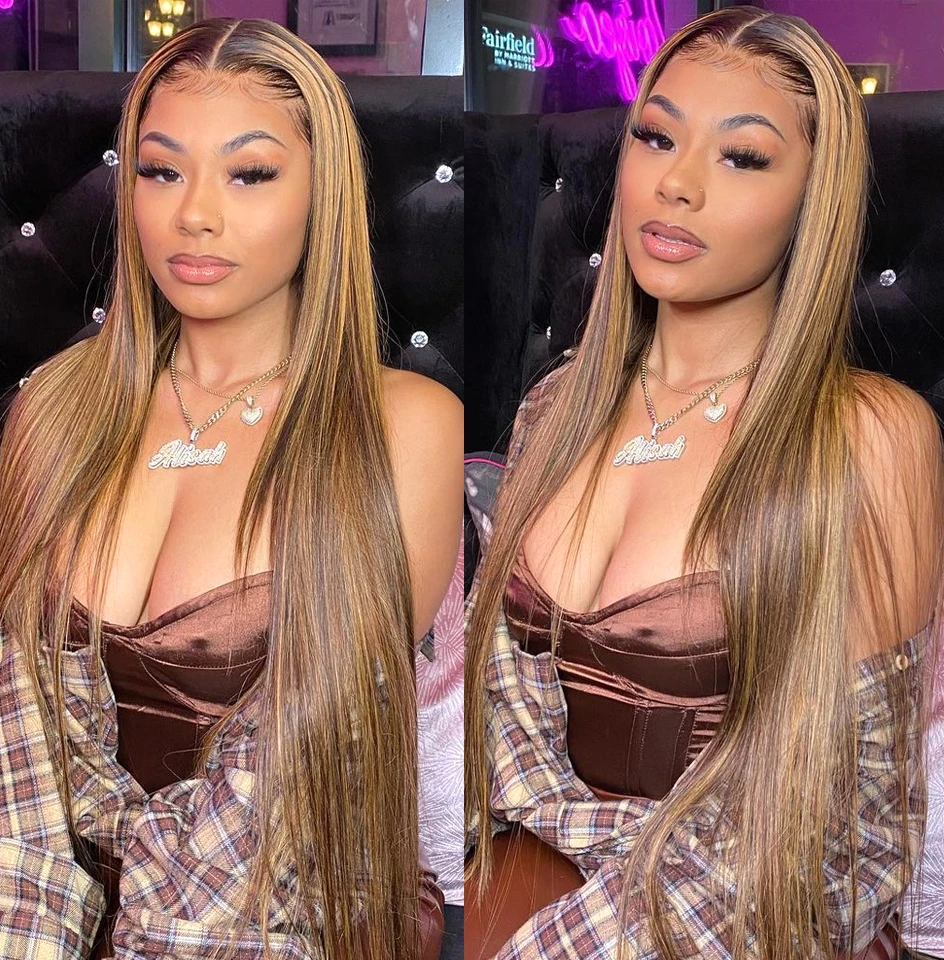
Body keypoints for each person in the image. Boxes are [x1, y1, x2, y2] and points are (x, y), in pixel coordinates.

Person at [464, 7, 944, 959]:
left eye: (743, 157)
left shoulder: (868, 436)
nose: (676, 183)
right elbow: (491, 741)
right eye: (656, 136)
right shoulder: (556, 407)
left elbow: (855, 842)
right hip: (519, 889)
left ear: (813, 200)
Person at [0, 17, 462, 960]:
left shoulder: (402, 426)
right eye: (161, 171)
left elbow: (306, 770)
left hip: (281, 904)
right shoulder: (55, 409)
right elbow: (9, 746)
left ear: (323, 192)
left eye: (249, 174)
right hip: (40, 901)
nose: (194, 213)